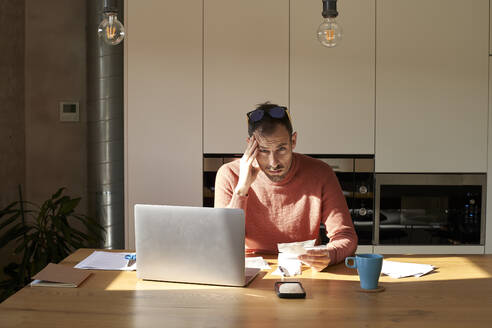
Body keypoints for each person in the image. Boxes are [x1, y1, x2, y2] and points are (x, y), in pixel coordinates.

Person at [214, 102, 357, 271]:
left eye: (281, 149)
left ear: (293, 140)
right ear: (249, 145)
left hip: (303, 268)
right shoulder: (229, 174)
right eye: (263, 151)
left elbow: (345, 236)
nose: (273, 163)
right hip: (249, 269)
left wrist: (329, 255)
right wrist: (242, 188)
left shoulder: (321, 173)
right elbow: (221, 243)